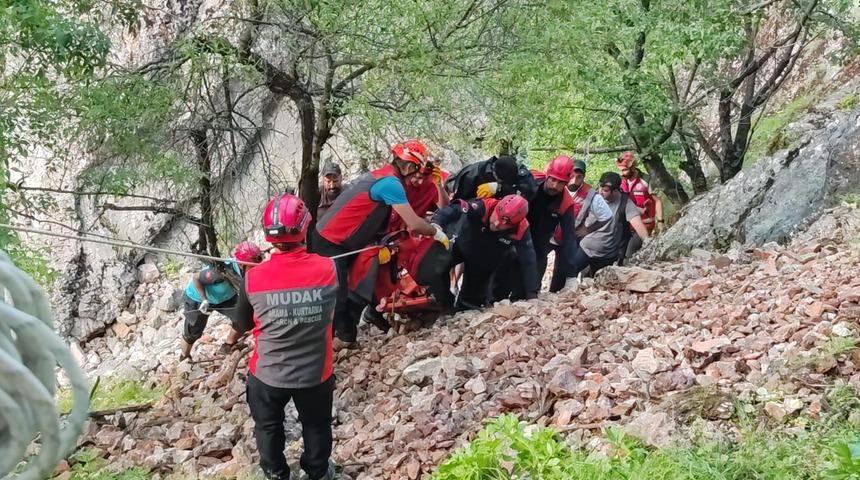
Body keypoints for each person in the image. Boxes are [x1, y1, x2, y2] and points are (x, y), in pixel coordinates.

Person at [233, 193, 339, 480]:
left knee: (268, 426)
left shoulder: (252, 278)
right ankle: (317, 472)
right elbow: (338, 312)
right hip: (315, 373)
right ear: (305, 227)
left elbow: (242, 323)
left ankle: (275, 473)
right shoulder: (329, 269)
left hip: (268, 373)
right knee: (316, 424)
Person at [311, 139, 449, 349]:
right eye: (416, 170)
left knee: (354, 284)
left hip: (342, 240)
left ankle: (344, 336)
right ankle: (325, 344)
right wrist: (435, 232)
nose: (416, 177)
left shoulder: (382, 176)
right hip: (330, 241)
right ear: (409, 167)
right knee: (336, 295)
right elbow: (414, 222)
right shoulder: (391, 184)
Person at [430, 194, 538, 311]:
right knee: (436, 269)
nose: (497, 224)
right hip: (460, 244)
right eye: (497, 217)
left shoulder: (521, 228)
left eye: (505, 223)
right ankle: (443, 306)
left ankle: (464, 309)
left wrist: (532, 294)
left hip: (484, 260)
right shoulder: (483, 206)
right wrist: (437, 223)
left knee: (472, 302)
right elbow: (455, 208)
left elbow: (529, 260)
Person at [179, 241, 263, 360]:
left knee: (245, 319)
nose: (256, 267)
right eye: (252, 265)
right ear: (241, 264)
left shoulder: (250, 270)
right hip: (198, 297)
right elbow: (196, 278)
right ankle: (184, 357)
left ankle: (228, 345)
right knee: (193, 333)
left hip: (225, 297)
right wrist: (204, 300)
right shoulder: (219, 271)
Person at [567, 172, 649, 279]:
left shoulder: (625, 203)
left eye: (605, 190)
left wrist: (648, 243)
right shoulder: (594, 197)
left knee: (598, 282)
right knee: (569, 273)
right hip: (585, 247)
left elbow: (638, 224)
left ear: (615, 191)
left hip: (607, 255)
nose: (601, 192)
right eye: (600, 188)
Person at [547, 159, 612, 290]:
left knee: (561, 271)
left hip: (569, 238)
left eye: (579, 177)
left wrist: (587, 230)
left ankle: (555, 295)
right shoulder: (557, 185)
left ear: (584, 177)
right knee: (537, 262)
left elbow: (607, 215)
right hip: (547, 234)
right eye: (572, 176)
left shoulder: (590, 195)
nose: (574, 181)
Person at [616, 151, 664, 262]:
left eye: (625, 170)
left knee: (629, 254)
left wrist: (660, 222)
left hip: (645, 224)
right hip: (627, 225)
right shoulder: (621, 182)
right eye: (621, 170)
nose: (622, 173)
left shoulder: (646, 180)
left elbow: (658, 201)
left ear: (633, 167)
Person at [446, 154, 537, 201]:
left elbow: (530, 191)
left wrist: (500, 188)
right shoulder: (471, 176)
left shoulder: (517, 169)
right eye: (502, 182)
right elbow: (459, 203)